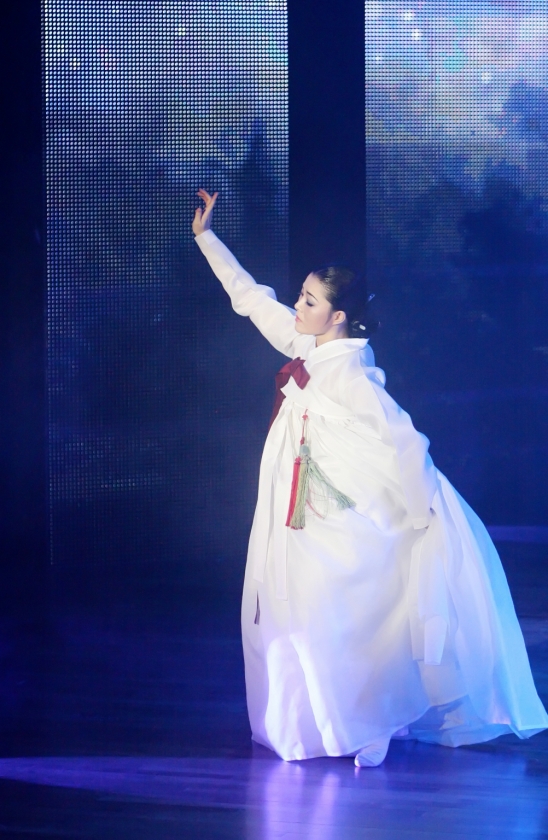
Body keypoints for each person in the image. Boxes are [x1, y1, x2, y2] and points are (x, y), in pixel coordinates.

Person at [192, 188, 548, 767]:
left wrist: (421, 510)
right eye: (301, 297)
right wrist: (207, 239)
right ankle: (318, 724)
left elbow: (405, 440)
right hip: (300, 512)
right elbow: (252, 300)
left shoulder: (353, 373)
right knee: (298, 614)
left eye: (309, 301)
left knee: (347, 615)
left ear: (338, 316)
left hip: (343, 513)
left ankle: (374, 719)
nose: (297, 306)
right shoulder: (308, 345)